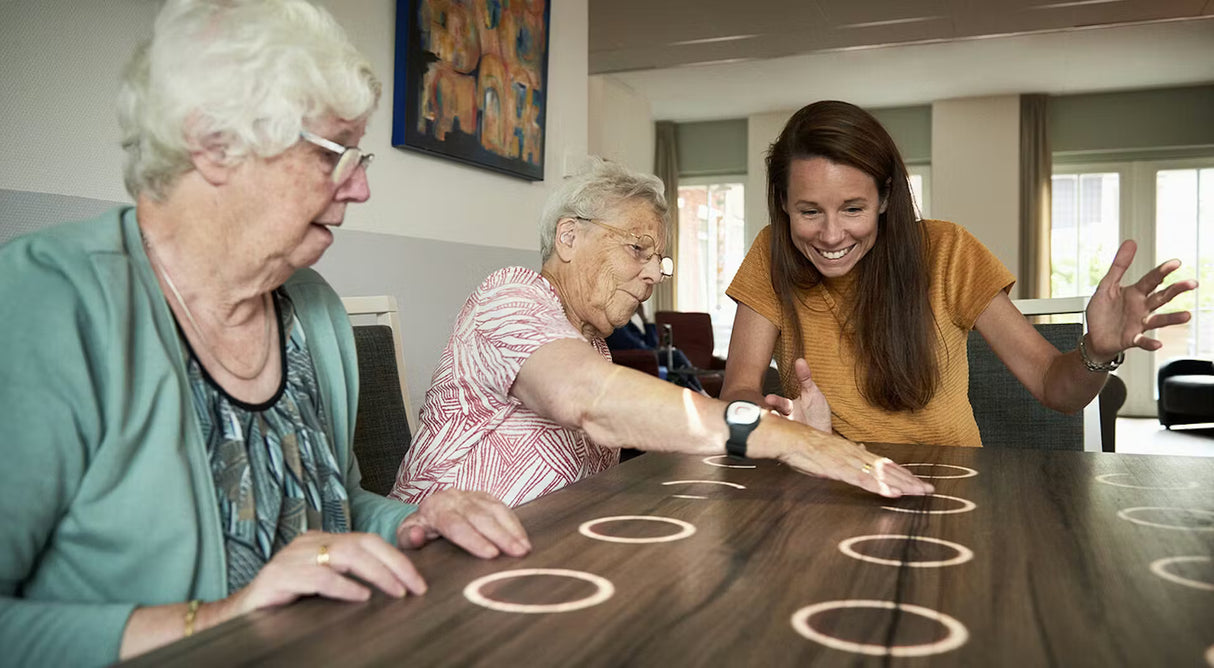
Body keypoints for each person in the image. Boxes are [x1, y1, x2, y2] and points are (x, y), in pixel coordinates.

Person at [0, 2, 529, 665]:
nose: (360, 188)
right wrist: (225, 619)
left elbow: (332, 509)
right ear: (215, 145)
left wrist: (415, 525)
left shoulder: (314, 310)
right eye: (335, 154)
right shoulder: (47, 306)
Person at [390, 158, 933, 509]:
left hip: (543, 557)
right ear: (569, 236)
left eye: (661, 261)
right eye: (637, 250)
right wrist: (791, 441)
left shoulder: (593, 346)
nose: (653, 274)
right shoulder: (512, 294)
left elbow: (673, 438)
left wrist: (784, 428)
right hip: (438, 565)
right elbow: (586, 399)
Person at [721, 100, 1197, 445]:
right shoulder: (770, 254)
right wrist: (765, 417)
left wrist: (1095, 350)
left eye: (852, 208)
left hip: (950, 487)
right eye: (808, 211)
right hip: (828, 482)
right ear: (782, 203)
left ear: (885, 199)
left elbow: (1057, 387)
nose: (830, 235)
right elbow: (738, 388)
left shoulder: (948, 250)